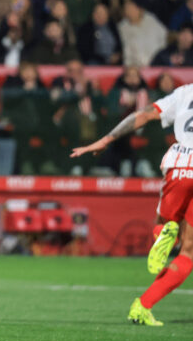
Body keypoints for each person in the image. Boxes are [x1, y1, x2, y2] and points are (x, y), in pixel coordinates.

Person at [71, 82, 193, 326]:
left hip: (181, 162)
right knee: (189, 253)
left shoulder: (185, 92)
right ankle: (145, 299)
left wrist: (106, 140)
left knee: (168, 226)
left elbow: (143, 115)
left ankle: (163, 240)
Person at [118, 0, 167, 67]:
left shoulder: (151, 20)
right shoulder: (122, 27)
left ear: (139, 9)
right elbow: (125, 52)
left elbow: (164, 37)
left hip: (157, 64)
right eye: (127, 9)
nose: (129, 11)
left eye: (132, 8)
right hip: (135, 67)